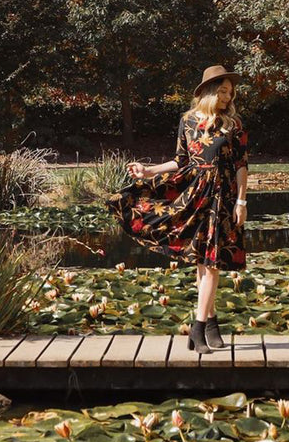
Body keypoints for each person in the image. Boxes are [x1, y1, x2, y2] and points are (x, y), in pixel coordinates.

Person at [105, 65, 249, 353]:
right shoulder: (188, 121)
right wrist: (148, 171)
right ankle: (208, 325)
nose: (227, 97)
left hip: (223, 196)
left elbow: (241, 166)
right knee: (202, 262)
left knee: (212, 263)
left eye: (230, 93)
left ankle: (199, 329)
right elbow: (180, 161)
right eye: (222, 91)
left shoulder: (233, 124)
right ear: (209, 92)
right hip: (194, 195)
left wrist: (242, 201)